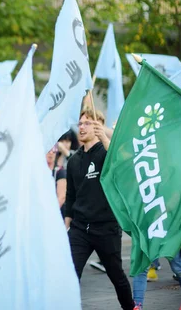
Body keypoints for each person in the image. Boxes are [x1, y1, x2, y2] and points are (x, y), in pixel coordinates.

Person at [65, 108, 134, 310]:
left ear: (97, 126)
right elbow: (71, 197)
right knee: (70, 274)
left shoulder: (106, 152)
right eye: (80, 123)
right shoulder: (74, 160)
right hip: (79, 229)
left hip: (106, 228)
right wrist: (66, 225)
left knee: (117, 276)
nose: (81, 127)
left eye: (87, 123)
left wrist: (105, 136)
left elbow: (121, 165)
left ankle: (129, 307)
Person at [46, 144, 66, 217]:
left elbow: (62, 197)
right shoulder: (38, 171)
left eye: (54, 150)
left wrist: (50, 213)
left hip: (55, 213)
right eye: (48, 150)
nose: (51, 153)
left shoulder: (60, 171)